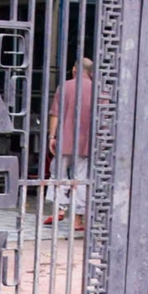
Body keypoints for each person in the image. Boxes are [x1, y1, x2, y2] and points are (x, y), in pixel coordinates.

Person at [44, 56, 94, 227]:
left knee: (58, 175)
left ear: (74, 69)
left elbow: (55, 114)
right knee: (81, 178)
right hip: (86, 142)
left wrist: (52, 136)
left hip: (64, 140)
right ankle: (78, 219)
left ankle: (59, 209)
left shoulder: (64, 87)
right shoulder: (97, 89)